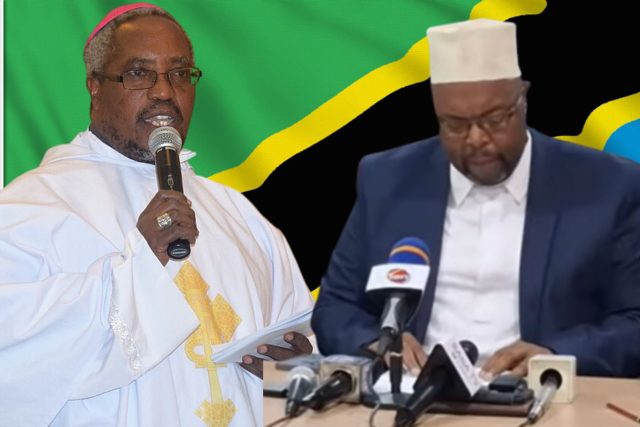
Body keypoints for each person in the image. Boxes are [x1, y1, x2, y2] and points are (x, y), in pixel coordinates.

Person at [0, 3, 313, 426]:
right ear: (95, 86)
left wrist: (295, 374)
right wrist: (142, 260)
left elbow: (301, 351)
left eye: (180, 73)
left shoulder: (241, 217)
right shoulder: (32, 208)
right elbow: (13, 354)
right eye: (138, 73)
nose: (164, 91)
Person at [312, 18, 640, 379]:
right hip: (413, 394)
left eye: (495, 120)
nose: (476, 139)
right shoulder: (387, 180)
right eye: (455, 125)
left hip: (543, 396)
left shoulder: (608, 186)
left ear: (523, 99)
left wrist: (554, 355)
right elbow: (335, 308)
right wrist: (377, 342)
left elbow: (634, 322)